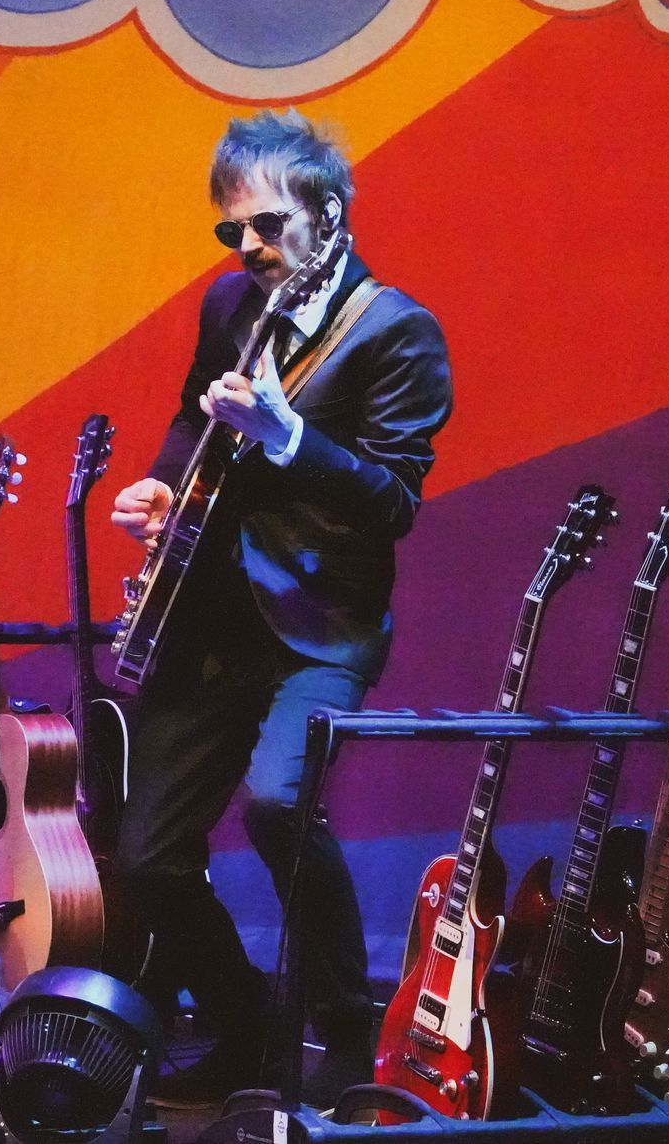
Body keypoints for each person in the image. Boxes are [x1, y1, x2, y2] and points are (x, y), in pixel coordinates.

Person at [107, 109, 451, 1108]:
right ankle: (248, 1021)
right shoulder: (229, 304)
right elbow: (191, 415)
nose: (246, 247)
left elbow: (394, 501)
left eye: (265, 225)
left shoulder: (397, 331)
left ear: (328, 215)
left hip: (322, 626)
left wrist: (291, 435)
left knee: (275, 802)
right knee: (146, 857)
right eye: (233, 231)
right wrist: (165, 490)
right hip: (208, 615)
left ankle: (346, 1029)